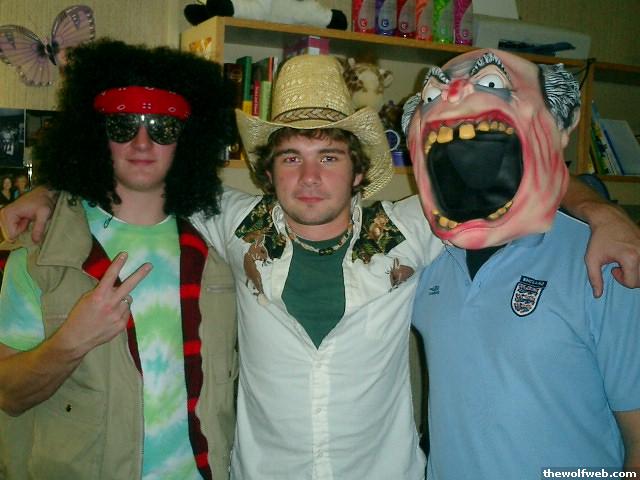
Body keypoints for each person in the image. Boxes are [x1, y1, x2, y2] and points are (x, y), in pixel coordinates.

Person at [3, 53, 640, 479]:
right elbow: (141, 173)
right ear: (267, 172)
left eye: (329, 157)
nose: (309, 177)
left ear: (360, 171)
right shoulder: (232, 223)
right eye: (291, 158)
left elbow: (520, 170)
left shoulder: (413, 230)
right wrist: (51, 189)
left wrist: (602, 212)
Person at [0, 39, 238, 480]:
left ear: (186, 138)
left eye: (163, 126)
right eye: (123, 124)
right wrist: (71, 342)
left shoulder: (222, 248)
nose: (142, 141)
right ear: (97, 134)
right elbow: (8, 395)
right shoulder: (40, 254)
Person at [404, 49, 640, 477]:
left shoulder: (604, 260)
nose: (452, 95)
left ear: (559, 123)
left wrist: (598, 210)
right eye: (432, 95)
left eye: (492, 83)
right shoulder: (424, 258)